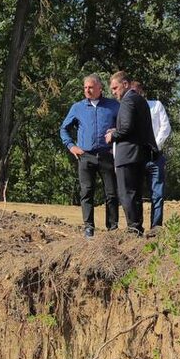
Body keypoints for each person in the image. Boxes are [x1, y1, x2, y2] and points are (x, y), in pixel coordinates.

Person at [60, 74, 120, 238]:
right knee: (86, 192)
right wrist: (71, 146)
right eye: (85, 87)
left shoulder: (113, 106)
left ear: (100, 88)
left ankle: (113, 228)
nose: (87, 90)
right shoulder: (77, 107)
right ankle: (88, 228)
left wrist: (116, 131)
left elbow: (124, 125)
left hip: (107, 155)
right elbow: (63, 129)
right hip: (85, 156)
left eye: (91, 87)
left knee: (112, 193)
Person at [104, 71, 157, 236]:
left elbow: (126, 129)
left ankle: (133, 229)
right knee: (135, 193)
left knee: (126, 193)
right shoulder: (139, 99)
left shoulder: (127, 100)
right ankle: (137, 227)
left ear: (125, 84)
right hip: (139, 154)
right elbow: (133, 127)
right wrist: (118, 129)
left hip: (127, 155)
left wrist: (112, 135)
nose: (113, 92)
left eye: (115, 87)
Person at [132, 81, 171, 229]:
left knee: (157, 193)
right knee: (136, 193)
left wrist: (155, 145)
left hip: (155, 156)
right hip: (136, 156)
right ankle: (137, 227)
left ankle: (156, 227)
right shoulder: (128, 109)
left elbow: (165, 127)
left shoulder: (156, 105)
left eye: (136, 91)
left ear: (142, 91)